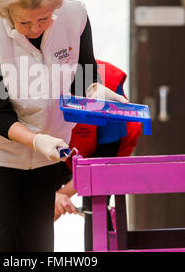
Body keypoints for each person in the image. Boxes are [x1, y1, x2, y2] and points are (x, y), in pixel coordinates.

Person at [0, 0, 128, 252]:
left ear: (57, 5)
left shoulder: (75, 16)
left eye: (43, 19)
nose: (35, 28)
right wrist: (35, 140)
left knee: (38, 233)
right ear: (5, 11)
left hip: (50, 136)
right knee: (0, 234)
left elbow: (82, 78)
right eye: (24, 22)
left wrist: (96, 92)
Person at [53, 60, 142, 250]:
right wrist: (49, 197)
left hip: (106, 149)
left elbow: (101, 163)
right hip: (58, 148)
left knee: (97, 204)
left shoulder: (108, 85)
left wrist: (62, 193)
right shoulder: (38, 84)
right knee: (37, 204)